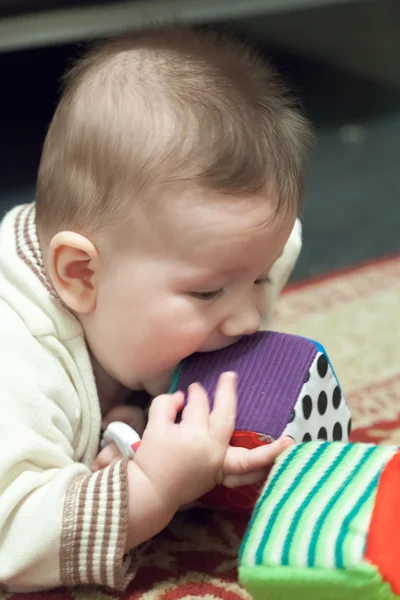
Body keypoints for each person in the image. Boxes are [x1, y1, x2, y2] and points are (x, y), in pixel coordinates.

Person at [0, 26, 310, 592]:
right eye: (208, 293)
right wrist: (151, 488)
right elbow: (9, 537)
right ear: (80, 275)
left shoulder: (226, 254)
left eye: (260, 278)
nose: (246, 319)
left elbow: (270, 243)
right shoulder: (17, 360)